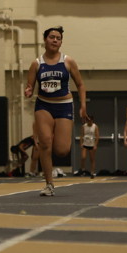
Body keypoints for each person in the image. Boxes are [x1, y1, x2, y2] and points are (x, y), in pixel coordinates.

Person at [24, 26, 88, 196]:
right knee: (45, 143)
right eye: (52, 37)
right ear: (45, 40)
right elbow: (30, 86)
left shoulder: (68, 61)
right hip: (43, 105)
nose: (55, 40)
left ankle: (53, 139)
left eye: (58, 38)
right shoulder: (37, 63)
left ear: (61, 42)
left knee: (62, 150)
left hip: (64, 105)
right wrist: (28, 91)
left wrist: (83, 105)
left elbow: (81, 85)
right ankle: (49, 184)